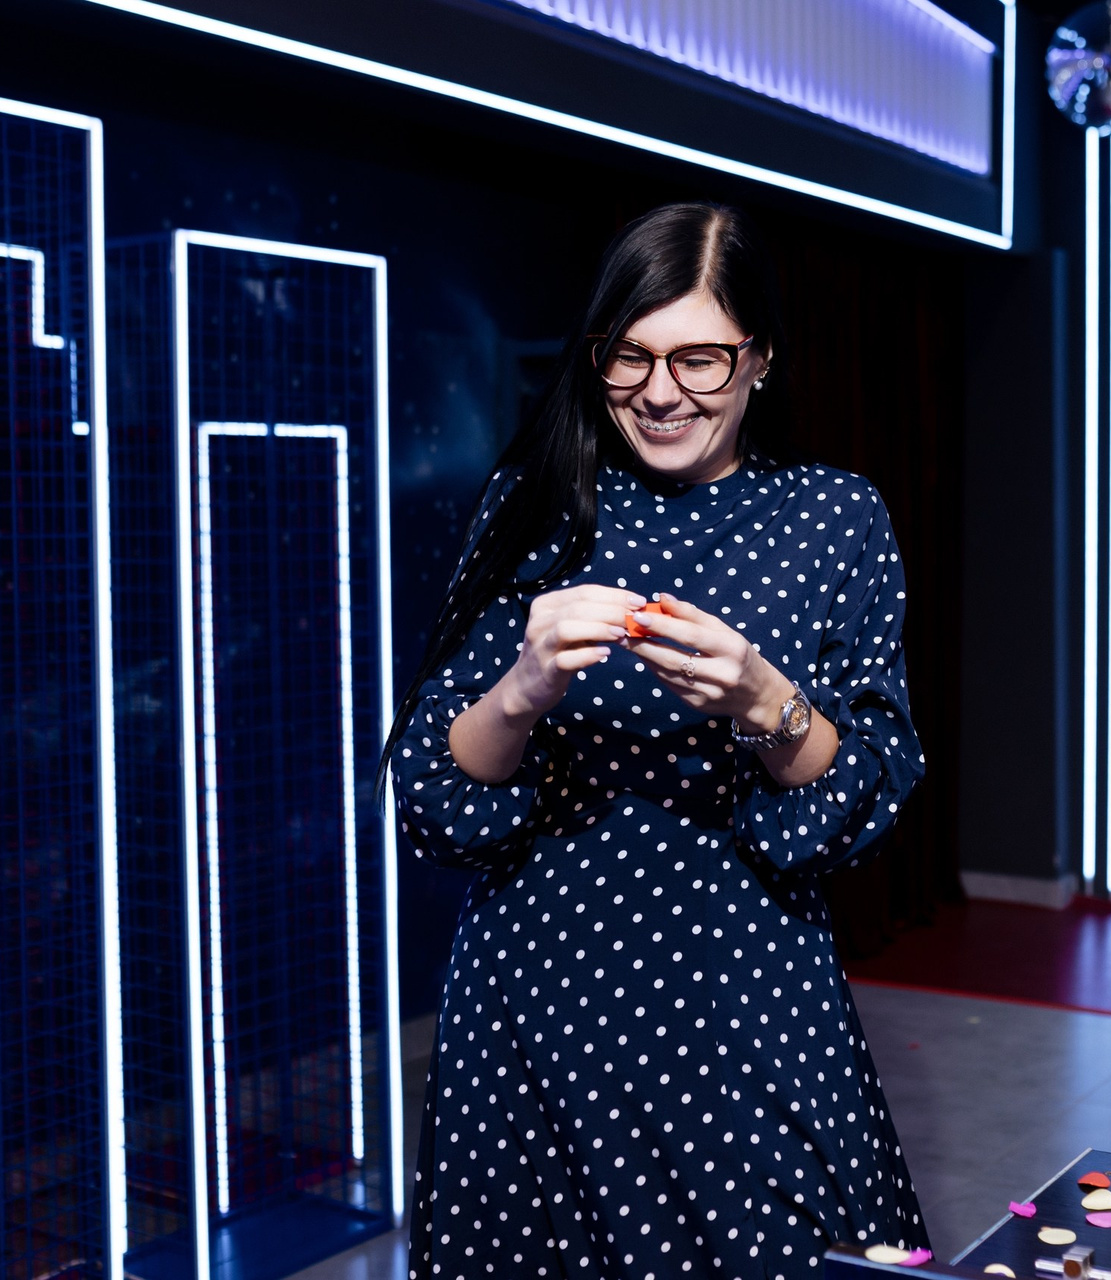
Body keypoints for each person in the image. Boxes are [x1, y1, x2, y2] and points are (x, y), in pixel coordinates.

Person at [385, 202, 929, 1278]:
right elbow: (432, 791)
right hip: (534, 997)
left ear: (760, 359)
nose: (661, 390)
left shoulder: (834, 517)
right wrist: (523, 687)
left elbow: (869, 791)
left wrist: (766, 701)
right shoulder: (533, 505)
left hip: (743, 995)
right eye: (629, 355)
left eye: (699, 359)